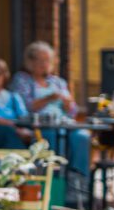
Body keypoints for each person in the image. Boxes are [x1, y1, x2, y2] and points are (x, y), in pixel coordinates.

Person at [9, 41, 89, 176]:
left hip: (63, 124)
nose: (44, 64)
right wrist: (49, 98)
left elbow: (73, 111)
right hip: (38, 126)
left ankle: (78, 180)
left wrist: (68, 105)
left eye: (47, 60)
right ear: (30, 62)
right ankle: (52, 178)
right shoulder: (22, 80)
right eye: (40, 60)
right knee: (50, 136)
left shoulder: (58, 82)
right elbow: (25, 107)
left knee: (82, 136)